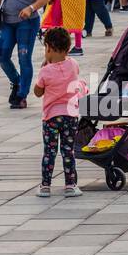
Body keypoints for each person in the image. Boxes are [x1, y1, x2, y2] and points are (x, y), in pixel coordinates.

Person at [32, 27, 85, 198]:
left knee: (50, 151)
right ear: (68, 48)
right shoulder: (73, 65)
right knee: (68, 150)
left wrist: (44, 67)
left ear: (48, 48)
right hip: (70, 115)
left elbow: (38, 92)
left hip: (51, 118)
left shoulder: (45, 71)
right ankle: (70, 184)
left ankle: (45, 186)